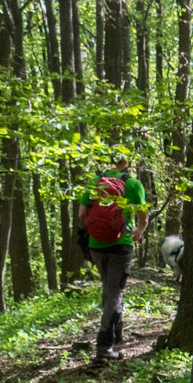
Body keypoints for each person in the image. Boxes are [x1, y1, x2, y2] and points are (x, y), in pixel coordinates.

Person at [78, 153, 148, 363]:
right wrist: (138, 230)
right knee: (114, 293)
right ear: (126, 164)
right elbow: (143, 217)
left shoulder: (95, 183)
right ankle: (104, 347)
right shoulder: (134, 184)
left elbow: (81, 213)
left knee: (109, 289)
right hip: (120, 244)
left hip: (95, 246)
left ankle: (116, 336)